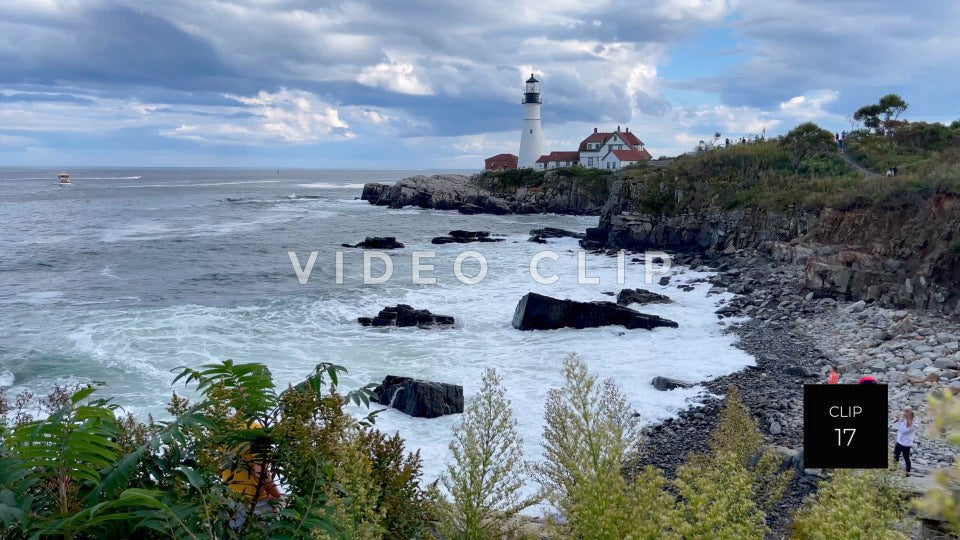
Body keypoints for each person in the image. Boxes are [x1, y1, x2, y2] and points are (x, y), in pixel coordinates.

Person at [892, 408, 919, 476]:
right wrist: (898, 420)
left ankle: (908, 472)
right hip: (899, 441)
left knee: (906, 457)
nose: (903, 416)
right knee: (895, 455)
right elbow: (902, 425)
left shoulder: (912, 425)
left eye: (905, 415)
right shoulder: (905, 421)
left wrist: (897, 422)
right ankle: (895, 467)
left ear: (908, 416)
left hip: (906, 444)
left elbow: (903, 431)